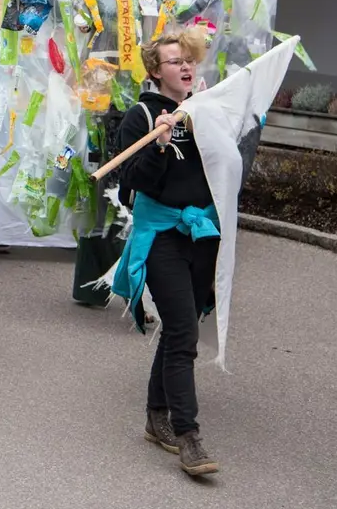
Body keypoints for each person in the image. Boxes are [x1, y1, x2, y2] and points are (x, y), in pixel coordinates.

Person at [109, 27, 221, 477]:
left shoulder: (202, 111)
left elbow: (225, 170)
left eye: (189, 60)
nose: (186, 67)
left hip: (202, 235)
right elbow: (132, 186)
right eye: (175, 61)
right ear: (156, 71)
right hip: (160, 237)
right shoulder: (140, 116)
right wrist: (157, 144)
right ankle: (188, 434)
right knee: (184, 335)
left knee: (181, 328)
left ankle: (156, 417)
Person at [65, 0, 182, 306]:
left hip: (138, 95)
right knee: (100, 184)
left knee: (134, 179)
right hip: (98, 95)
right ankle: (91, 283)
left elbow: (183, 8)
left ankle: (131, 279)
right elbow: (67, 18)